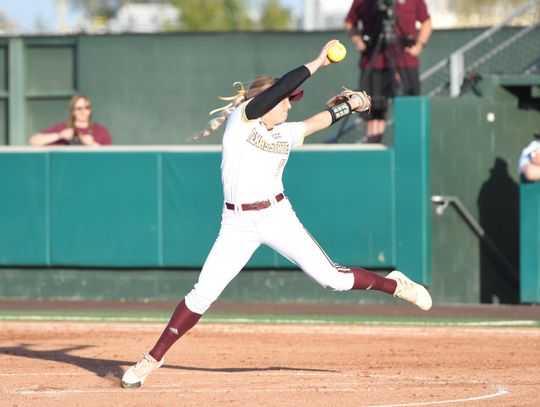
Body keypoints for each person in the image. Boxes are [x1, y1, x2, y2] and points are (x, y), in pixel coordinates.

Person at [121, 40, 432, 389]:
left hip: (277, 215)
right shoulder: (243, 122)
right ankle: (152, 359)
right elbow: (283, 86)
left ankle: (395, 285)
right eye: (286, 100)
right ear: (264, 101)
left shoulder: (284, 132)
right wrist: (318, 62)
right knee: (202, 294)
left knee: (335, 280)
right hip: (237, 224)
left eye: (290, 100)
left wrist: (352, 106)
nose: (289, 104)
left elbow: (319, 120)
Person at [345, 0, 432, 143]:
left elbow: (427, 22)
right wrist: (357, 40)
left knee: (409, 108)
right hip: (374, 62)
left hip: (405, 61)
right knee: (374, 112)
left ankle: (409, 148)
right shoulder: (362, 2)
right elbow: (349, 22)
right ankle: (373, 152)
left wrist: (419, 45)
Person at [29, 94, 112, 146]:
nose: (83, 112)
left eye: (87, 108)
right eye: (79, 108)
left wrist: (92, 144)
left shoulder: (101, 131)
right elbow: (33, 141)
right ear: (73, 111)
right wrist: (59, 135)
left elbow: (109, 158)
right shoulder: (62, 128)